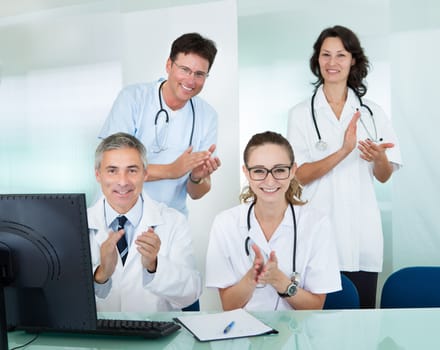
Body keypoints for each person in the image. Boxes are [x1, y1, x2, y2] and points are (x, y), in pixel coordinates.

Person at [287, 25, 402, 308]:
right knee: (315, 325)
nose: (332, 62)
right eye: (325, 55)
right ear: (317, 61)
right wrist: (344, 151)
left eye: (341, 55)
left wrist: (378, 158)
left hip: (362, 235)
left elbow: (384, 176)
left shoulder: (372, 112)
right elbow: (298, 176)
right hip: (318, 234)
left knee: (361, 325)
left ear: (353, 60)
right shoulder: (301, 114)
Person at [205, 131, 341, 311]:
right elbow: (228, 305)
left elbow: (316, 306)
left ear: (293, 171)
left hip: (297, 335)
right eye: (259, 171)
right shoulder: (225, 224)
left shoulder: (317, 224)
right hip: (244, 334)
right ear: (246, 172)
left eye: (279, 170)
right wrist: (250, 279)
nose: (270, 180)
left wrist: (280, 281)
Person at [99, 32, 221, 216]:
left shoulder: (208, 116)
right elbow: (112, 165)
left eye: (199, 74)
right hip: (119, 212)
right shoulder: (133, 98)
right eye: (185, 70)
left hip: (169, 220)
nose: (190, 80)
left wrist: (196, 178)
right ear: (169, 65)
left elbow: (197, 193)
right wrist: (172, 170)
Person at [88, 132, 202, 312]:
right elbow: (67, 301)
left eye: (132, 170)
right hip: (100, 338)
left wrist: (154, 266)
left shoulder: (173, 222)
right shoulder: (79, 224)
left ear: (145, 174)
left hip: (157, 337)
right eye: (112, 171)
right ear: (98, 175)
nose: (123, 182)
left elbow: (190, 295)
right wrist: (101, 274)